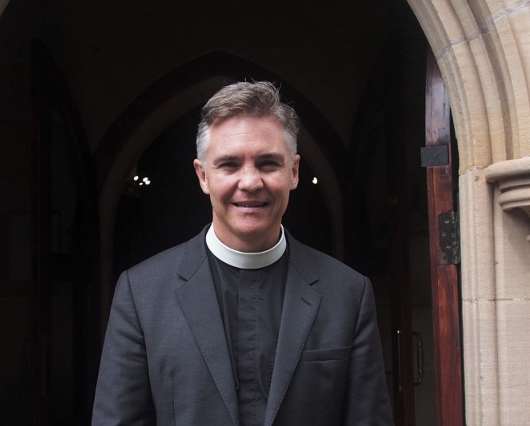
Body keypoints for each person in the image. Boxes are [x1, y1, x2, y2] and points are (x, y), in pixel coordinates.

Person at [92, 81, 393, 425]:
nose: (249, 182)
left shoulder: (348, 293)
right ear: (203, 176)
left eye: (268, 164)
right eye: (229, 165)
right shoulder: (142, 294)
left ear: (293, 172)